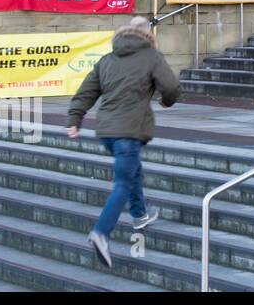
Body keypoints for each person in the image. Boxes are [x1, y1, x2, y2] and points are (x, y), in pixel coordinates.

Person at [66, 16, 180, 269]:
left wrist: (74, 119)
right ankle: (101, 232)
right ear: (148, 33)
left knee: (132, 170)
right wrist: (166, 101)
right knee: (122, 182)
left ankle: (139, 215)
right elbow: (171, 86)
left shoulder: (107, 59)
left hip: (106, 130)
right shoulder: (151, 56)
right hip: (129, 130)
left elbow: (86, 92)